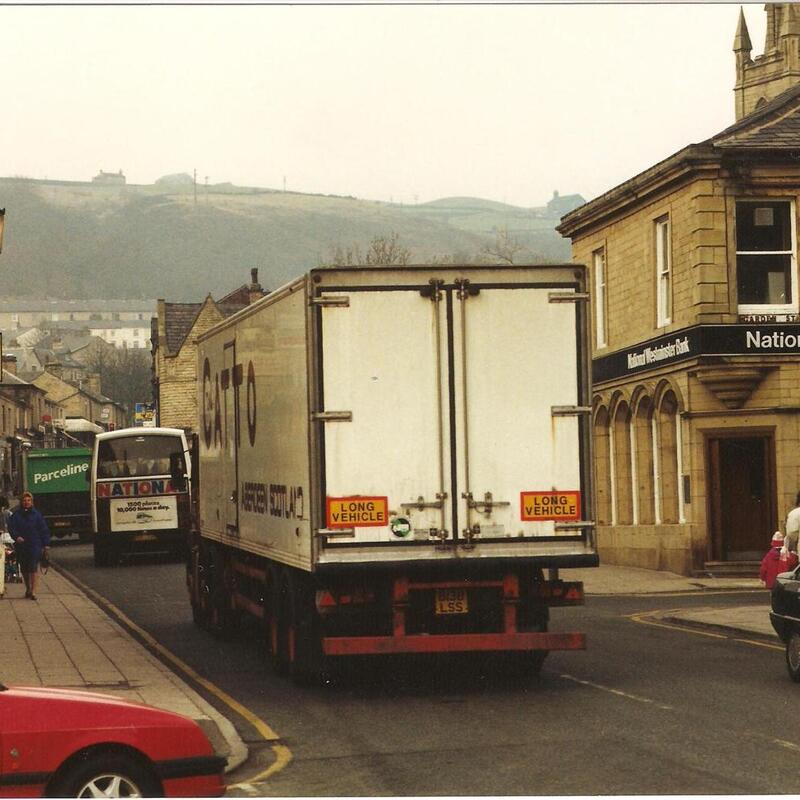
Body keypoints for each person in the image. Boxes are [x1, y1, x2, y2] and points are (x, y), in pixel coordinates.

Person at [8, 491, 50, 600]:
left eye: (28, 500)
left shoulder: (37, 515)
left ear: (32, 502)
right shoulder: (16, 515)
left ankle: (33, 591)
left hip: (34, 544)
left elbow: (43, 529)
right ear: (21, 502)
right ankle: (28, 587)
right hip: (21, 545)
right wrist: (17, 537)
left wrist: (46, 544)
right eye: (24, 500)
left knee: (33, 567)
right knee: (24, 568)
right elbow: (12, 528)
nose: (26, 502)